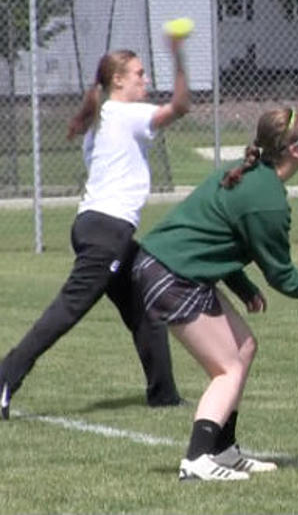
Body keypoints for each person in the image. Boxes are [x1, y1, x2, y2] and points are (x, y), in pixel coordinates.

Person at [131, 107, 298, 481]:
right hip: (170, 273)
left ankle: (224, 450)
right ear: (295, 150)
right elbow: (283, 276)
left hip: (172, 266)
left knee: (244, 347)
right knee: (227, 367)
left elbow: (217, 235)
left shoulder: (250, 173)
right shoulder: (266, 198)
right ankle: (197, 460)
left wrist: (243, 285)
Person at [0, 39, 191, 420]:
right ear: (118, 81)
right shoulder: (125, 113)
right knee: (68, 309)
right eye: (139, 74)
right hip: (107, 233)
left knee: (145, 304)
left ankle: (163, 393)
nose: (145, 80)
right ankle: (5, 376)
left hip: (95, 227)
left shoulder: (102, 122)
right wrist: (178, 54)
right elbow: (181, 107)